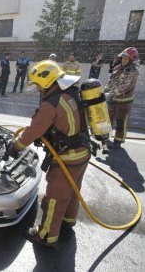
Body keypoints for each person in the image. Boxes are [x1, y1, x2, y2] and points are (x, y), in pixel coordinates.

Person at [5, 60, 90, 247]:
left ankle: (46, 236)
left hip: (66, 158)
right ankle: (68, 221)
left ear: (46, 81)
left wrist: (16, 146)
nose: (36, 88)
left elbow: (35, 129)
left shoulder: (51, 103)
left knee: (55, 198)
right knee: (73, 190)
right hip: (82, 153)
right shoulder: (71, 92)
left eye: (36, 84)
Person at [106, 47, 139, 149]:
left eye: (126, 58)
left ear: (131, 60)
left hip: (124, 101)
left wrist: (111, 93)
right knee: (108, 119)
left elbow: (125, 86)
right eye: (123, 58)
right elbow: (111, 81)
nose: (124, 60)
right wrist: (105, 89)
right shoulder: (117, 68)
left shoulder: (133, 71)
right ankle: (106, 137)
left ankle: (118, 141)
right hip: (112, 99)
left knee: (121, 122)